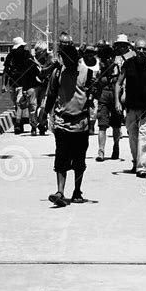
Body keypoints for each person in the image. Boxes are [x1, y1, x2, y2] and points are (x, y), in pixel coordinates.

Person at [40, 33, 95, 207]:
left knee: (79, 160)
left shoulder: (88, 73)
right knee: (61, 158)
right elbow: (51, 95)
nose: (68, 64)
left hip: (81, 124)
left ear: (77, 60)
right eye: (65, 60)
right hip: (62, 122)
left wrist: (93, 92)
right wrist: (44, 113)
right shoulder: (57, 73)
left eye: (71, 61)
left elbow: (94, 96)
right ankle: (60, 192)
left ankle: (77, 190)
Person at [114, 38, 146, 178]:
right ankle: (136, 161)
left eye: (144, 49)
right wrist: (117, 101)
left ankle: (142, 167)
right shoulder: (128, 64)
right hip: (131, 106)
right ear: (134, 50)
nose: (141, 51)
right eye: (139, 49)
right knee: (132, 136)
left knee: (144, 136)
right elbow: (118, 83)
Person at [2, 36, 41, 135]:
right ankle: (21, 124)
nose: (22, 48)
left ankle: (18, 124)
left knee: (20, 103)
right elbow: (5, 71)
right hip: (12, 84)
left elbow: (34, 66)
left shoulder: (26, 55)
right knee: (16, 104)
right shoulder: (10, 56)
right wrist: (3, 84)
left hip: (23, 84)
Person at [94, 44, 121, 161]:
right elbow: (95, 83)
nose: (108, 59)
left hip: (115, 98)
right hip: (103, 98)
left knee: (116, 125)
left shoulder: (118, 67)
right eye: (106, 58)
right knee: (102, 125)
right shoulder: (99, 68)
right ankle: (101, 152)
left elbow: (120, 83)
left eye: (110, 57)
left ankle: (116, 147)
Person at [33, 41, 56, 135]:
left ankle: (42, 124)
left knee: (43, 106)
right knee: (34, 106)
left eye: (40, 51)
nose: (38, 53)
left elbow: (47, 70)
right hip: (35, 85)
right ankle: (34, 125)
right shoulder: (33, 59)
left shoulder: (49, 58)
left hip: (45, 85)